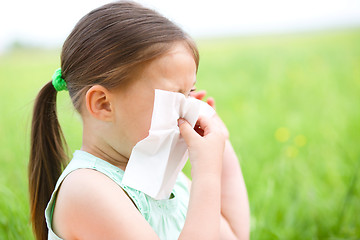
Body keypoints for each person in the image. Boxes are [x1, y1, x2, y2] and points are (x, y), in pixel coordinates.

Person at [28, 1, 250, 239]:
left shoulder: (162, 178)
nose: (188, 110)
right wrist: (206, 171)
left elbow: (235, 236)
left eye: (189, 94)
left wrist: (220, 146)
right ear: (103, 104)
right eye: (174, 98)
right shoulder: (86, 189)